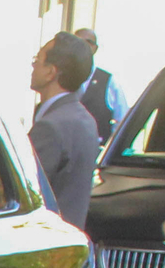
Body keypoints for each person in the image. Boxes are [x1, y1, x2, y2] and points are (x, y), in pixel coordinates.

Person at [29, 30, 99, 231]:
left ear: (51, 72)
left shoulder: (50, 127)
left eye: (38, 60)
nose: (33, 66)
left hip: (45, 243)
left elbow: (29, 193)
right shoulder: (85, 119)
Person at [73, 27, 123, 145]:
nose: (84, 46)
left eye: (88, 42)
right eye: (78, 42)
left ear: (96, 48)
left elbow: (121, 119)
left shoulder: (108, 81)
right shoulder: (59, 77)